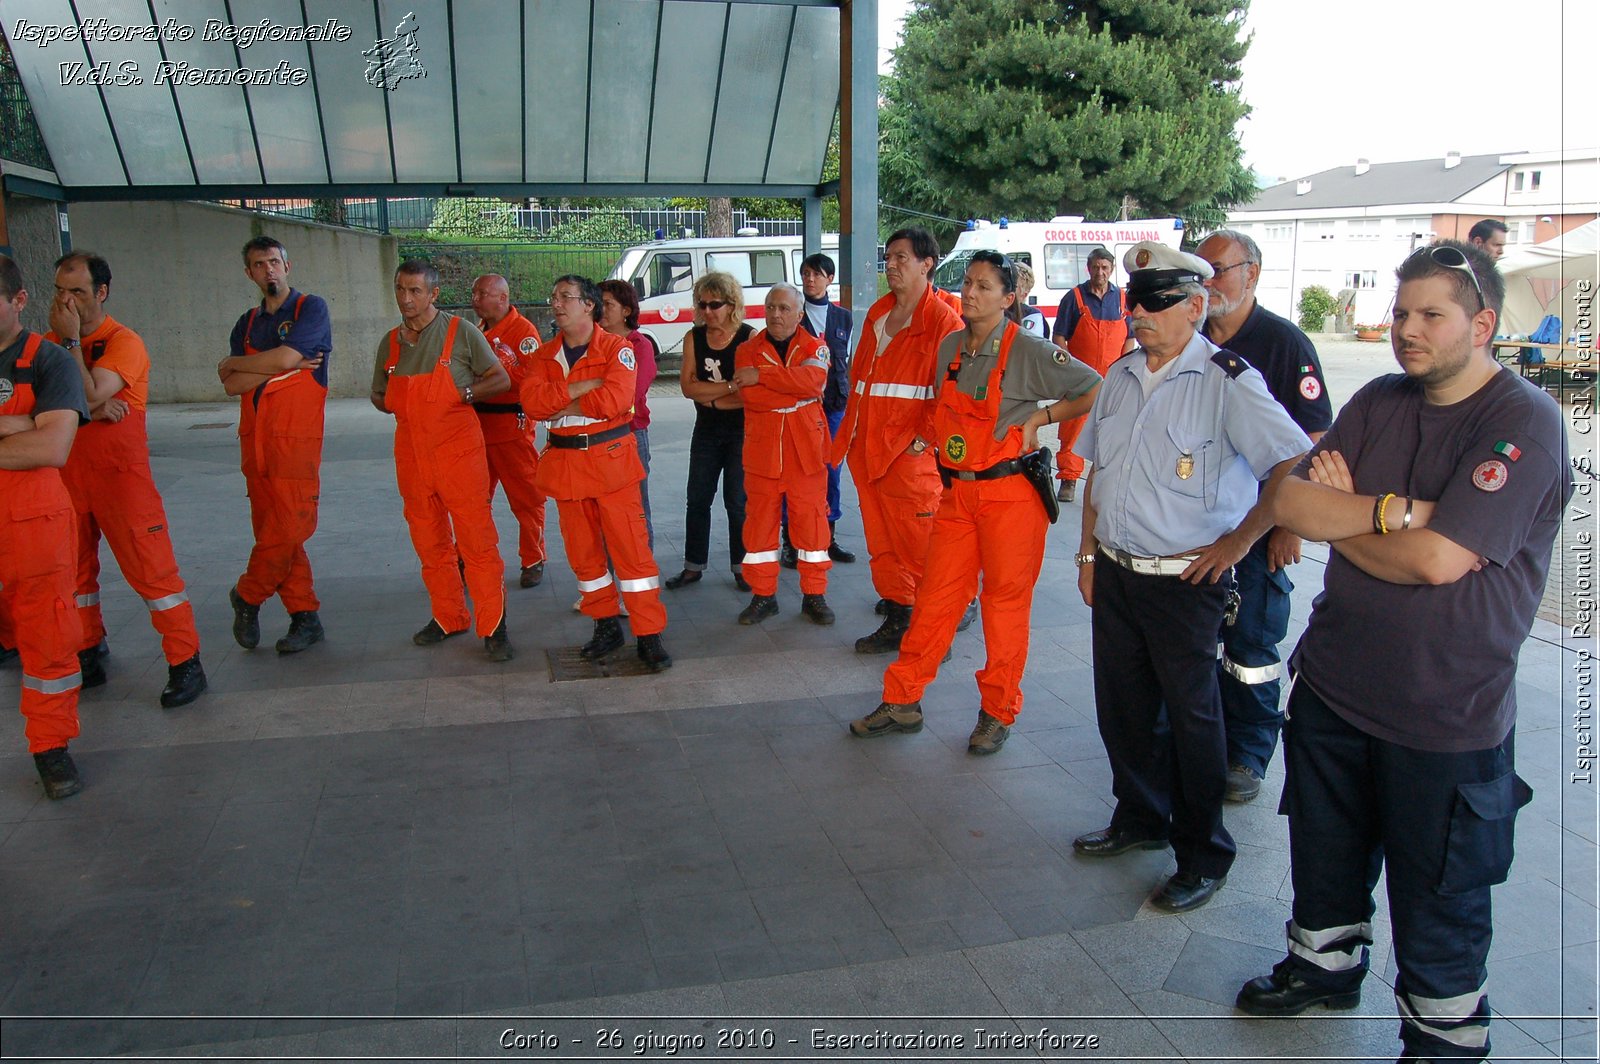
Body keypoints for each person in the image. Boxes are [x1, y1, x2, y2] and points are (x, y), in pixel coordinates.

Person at [1237, 241, 1569, 1062]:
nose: (1405, 330)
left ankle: (1443, 1035)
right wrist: (1397, 513)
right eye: (1400, 313)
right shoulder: (1381, 400)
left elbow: (1439, 562)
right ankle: (1324, 968)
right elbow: (1289, 499)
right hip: (1336, 688)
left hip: (1444, 713)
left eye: (1430, 315)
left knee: (1440, 889)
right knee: (1324, 849)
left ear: (1482, 324)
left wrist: (1349, 513)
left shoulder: (1522, 421)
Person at [1069, 241, 1310, 914]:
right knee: (1122, 710)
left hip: (1185, 583)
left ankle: (1203, 854)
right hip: (1117, 573)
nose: (1139, 312)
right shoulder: (1118, 377)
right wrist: (1087, 555)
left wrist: (1239, 541)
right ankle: (1140, 818)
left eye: (1157, 301)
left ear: (1196, 307)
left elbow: (1292, 462)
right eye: (1134, 300)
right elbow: (1097, 475)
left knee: (1193, 722)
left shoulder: (1228, 380)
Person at [850, 251, 1101, 754]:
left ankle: (996, 712)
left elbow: (1094, 385)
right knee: (936, 598)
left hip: (1010, 497)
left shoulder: (1029, 349)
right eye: (967, 283)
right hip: (957, 493)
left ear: (1009, 299)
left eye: (984, 287)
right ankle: (902, 700)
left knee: (1004, 606)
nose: (970, 293)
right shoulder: (949, 349)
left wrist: (1042, 418)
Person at [1197, 229, 1334, 803]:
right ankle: (1206, 742)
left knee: (1251, 647)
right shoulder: (1190, 338)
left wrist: (1287, 525)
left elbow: (1314, 441)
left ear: (1252, 273)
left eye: (1219, 271)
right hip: (1201, 526)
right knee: (1203, 645)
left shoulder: (1283, 343)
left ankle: (1249, 755)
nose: (1207, 284)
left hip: (1258, 531)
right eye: (1198, 272)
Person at [48, 252, 207, 708]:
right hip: (67, 480)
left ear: (101, 292)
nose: (66, 301)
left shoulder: (123, 342)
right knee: (75, 576)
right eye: (60, 290)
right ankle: (88, 651)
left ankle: (185, 662)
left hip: (123, 483)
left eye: (76, 292)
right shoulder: (49, 343)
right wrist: (94, 410)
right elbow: (46, 407)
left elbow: (87, 392)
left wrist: (73, 347)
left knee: (153, 574)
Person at [522, 275, 671, 671]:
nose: (556, 304)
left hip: (611, 465)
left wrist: (563, 402)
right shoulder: (543, 355)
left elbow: (615, 400)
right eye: (554, 297)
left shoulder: (618, 349)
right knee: (585, 558)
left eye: (566, 297)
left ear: (589, 305)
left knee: (632, 555)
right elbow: (532, 404)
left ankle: (648, 633)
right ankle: (605, 625)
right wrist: (578, 388)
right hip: (567, 468)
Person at [830, 227, 963, 654]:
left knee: (921, 548)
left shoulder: (944, 322)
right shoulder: (877, 315)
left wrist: (921, 444)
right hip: (866, 451)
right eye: (889, 257)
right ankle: (900, 613)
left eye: (902, 257)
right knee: (882, 545)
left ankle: (936, 629)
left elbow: (951, 397)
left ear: (927, 264)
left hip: (908, 459)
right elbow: (861, 383)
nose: (891, 264)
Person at [371, 259, 513, 661]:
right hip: (412, 457)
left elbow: (500, 378)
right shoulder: (391, 343)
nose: (406, 298)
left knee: (477, 543)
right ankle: (448, 616)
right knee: (429, 543)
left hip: (458, 455)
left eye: (415, 291)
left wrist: (464, 395)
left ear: (434, 294)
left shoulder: (461, 333)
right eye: (401, 289)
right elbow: (378, 394)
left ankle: (494, 625)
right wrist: (402, 405)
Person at [0, 255, 88, 798]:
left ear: (19, 301)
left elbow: (53, 447)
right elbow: (35, 437)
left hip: (34, 526)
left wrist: (34, 429)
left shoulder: (48, 361)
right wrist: (18, 426)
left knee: (48, 640)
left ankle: (50, 748)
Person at [217, 236, 331, 656]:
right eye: (258, 265)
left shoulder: (310, 309)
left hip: (295, 445)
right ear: (249, 273)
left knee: (292, 526)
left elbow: (267, 364)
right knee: (275, 533)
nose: (268, 270)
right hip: (256, 444)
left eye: (273, 262)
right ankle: (305, 616)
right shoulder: (246, 324)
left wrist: (247, 363)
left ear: (288, 265)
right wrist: (281, 361)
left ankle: (248, 594)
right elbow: (232, 384)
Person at [731, 283, 835, 626]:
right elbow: (752, 398)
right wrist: (794, 391)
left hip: (806, 454)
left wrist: (762, 376)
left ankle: (814, 595)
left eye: (784, 308)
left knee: (812, 527)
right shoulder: (747, 348)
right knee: (759, 527)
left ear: (799, 314)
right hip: (762, 455)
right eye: (771, 307)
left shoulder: (815, 346)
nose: (776, 314)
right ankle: (763, 597)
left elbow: (813, 384)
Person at [664, 272, 753, 592]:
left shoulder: (748, 337)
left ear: (732, 305)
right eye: (702, 305)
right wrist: (727, 388)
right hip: (706, 429)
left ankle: (742, 566)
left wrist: (711, 394)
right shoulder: (694, 337)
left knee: (737, 501)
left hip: (740, 430)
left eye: (714, 304)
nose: (707, 311)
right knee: (698, 498)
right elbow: (687, 388)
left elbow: (748, 395)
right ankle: (693, 565)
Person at [471, 273, 549, 589]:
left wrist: (497, 370)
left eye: (482, 293)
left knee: (527, 499)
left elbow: (532, 379)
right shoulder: (476, 332)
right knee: (474, 500)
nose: (475, 299)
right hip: (477, 429)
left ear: (502, 298)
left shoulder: (523, 333)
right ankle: (473, 556)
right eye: (474, 293)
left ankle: (533, 558)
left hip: (512, 429)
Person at [1051, 245, 1136, 504]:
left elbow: (1130, 337)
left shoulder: (1122, 299)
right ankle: (1068, 479)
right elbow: (1059, 337)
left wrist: (1123, 366)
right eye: (1096, 267)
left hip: (1113, 377)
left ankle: (1109, 481)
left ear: (1111, 270)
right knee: (1073, 428)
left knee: (1112, 429)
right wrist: (1068, 369)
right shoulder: (1074, 298)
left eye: (1105, 267)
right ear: (1088, 269)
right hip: (1081, 378)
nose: (1100, 272)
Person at [794, 252, 854, 565]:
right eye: (806, 273)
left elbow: (850, 363)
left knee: (831, 471)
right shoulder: (791, 314)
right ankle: (792, 540)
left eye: (817, 274)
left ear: (830, 279)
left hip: (834, 406)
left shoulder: (844, 318)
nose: (810, 279)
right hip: (799, 407)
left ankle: (828, 537)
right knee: (795, 472)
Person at [598, 279, 658, 548]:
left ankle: (644, 580)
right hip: (596, 436)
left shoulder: (639, 345)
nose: (601, 310)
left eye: (608, 304)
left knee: (636, 508)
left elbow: (628, 396)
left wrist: (591, 392)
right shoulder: (592, 343)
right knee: (602, 512)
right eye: (597, 304)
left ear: (626, 311)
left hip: (631, 435)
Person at [1012, 261, 1049, 338]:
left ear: (1024, 294)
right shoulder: (996, 310)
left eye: (1013, 286)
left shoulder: (1033, 316)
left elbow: (1034, 347)